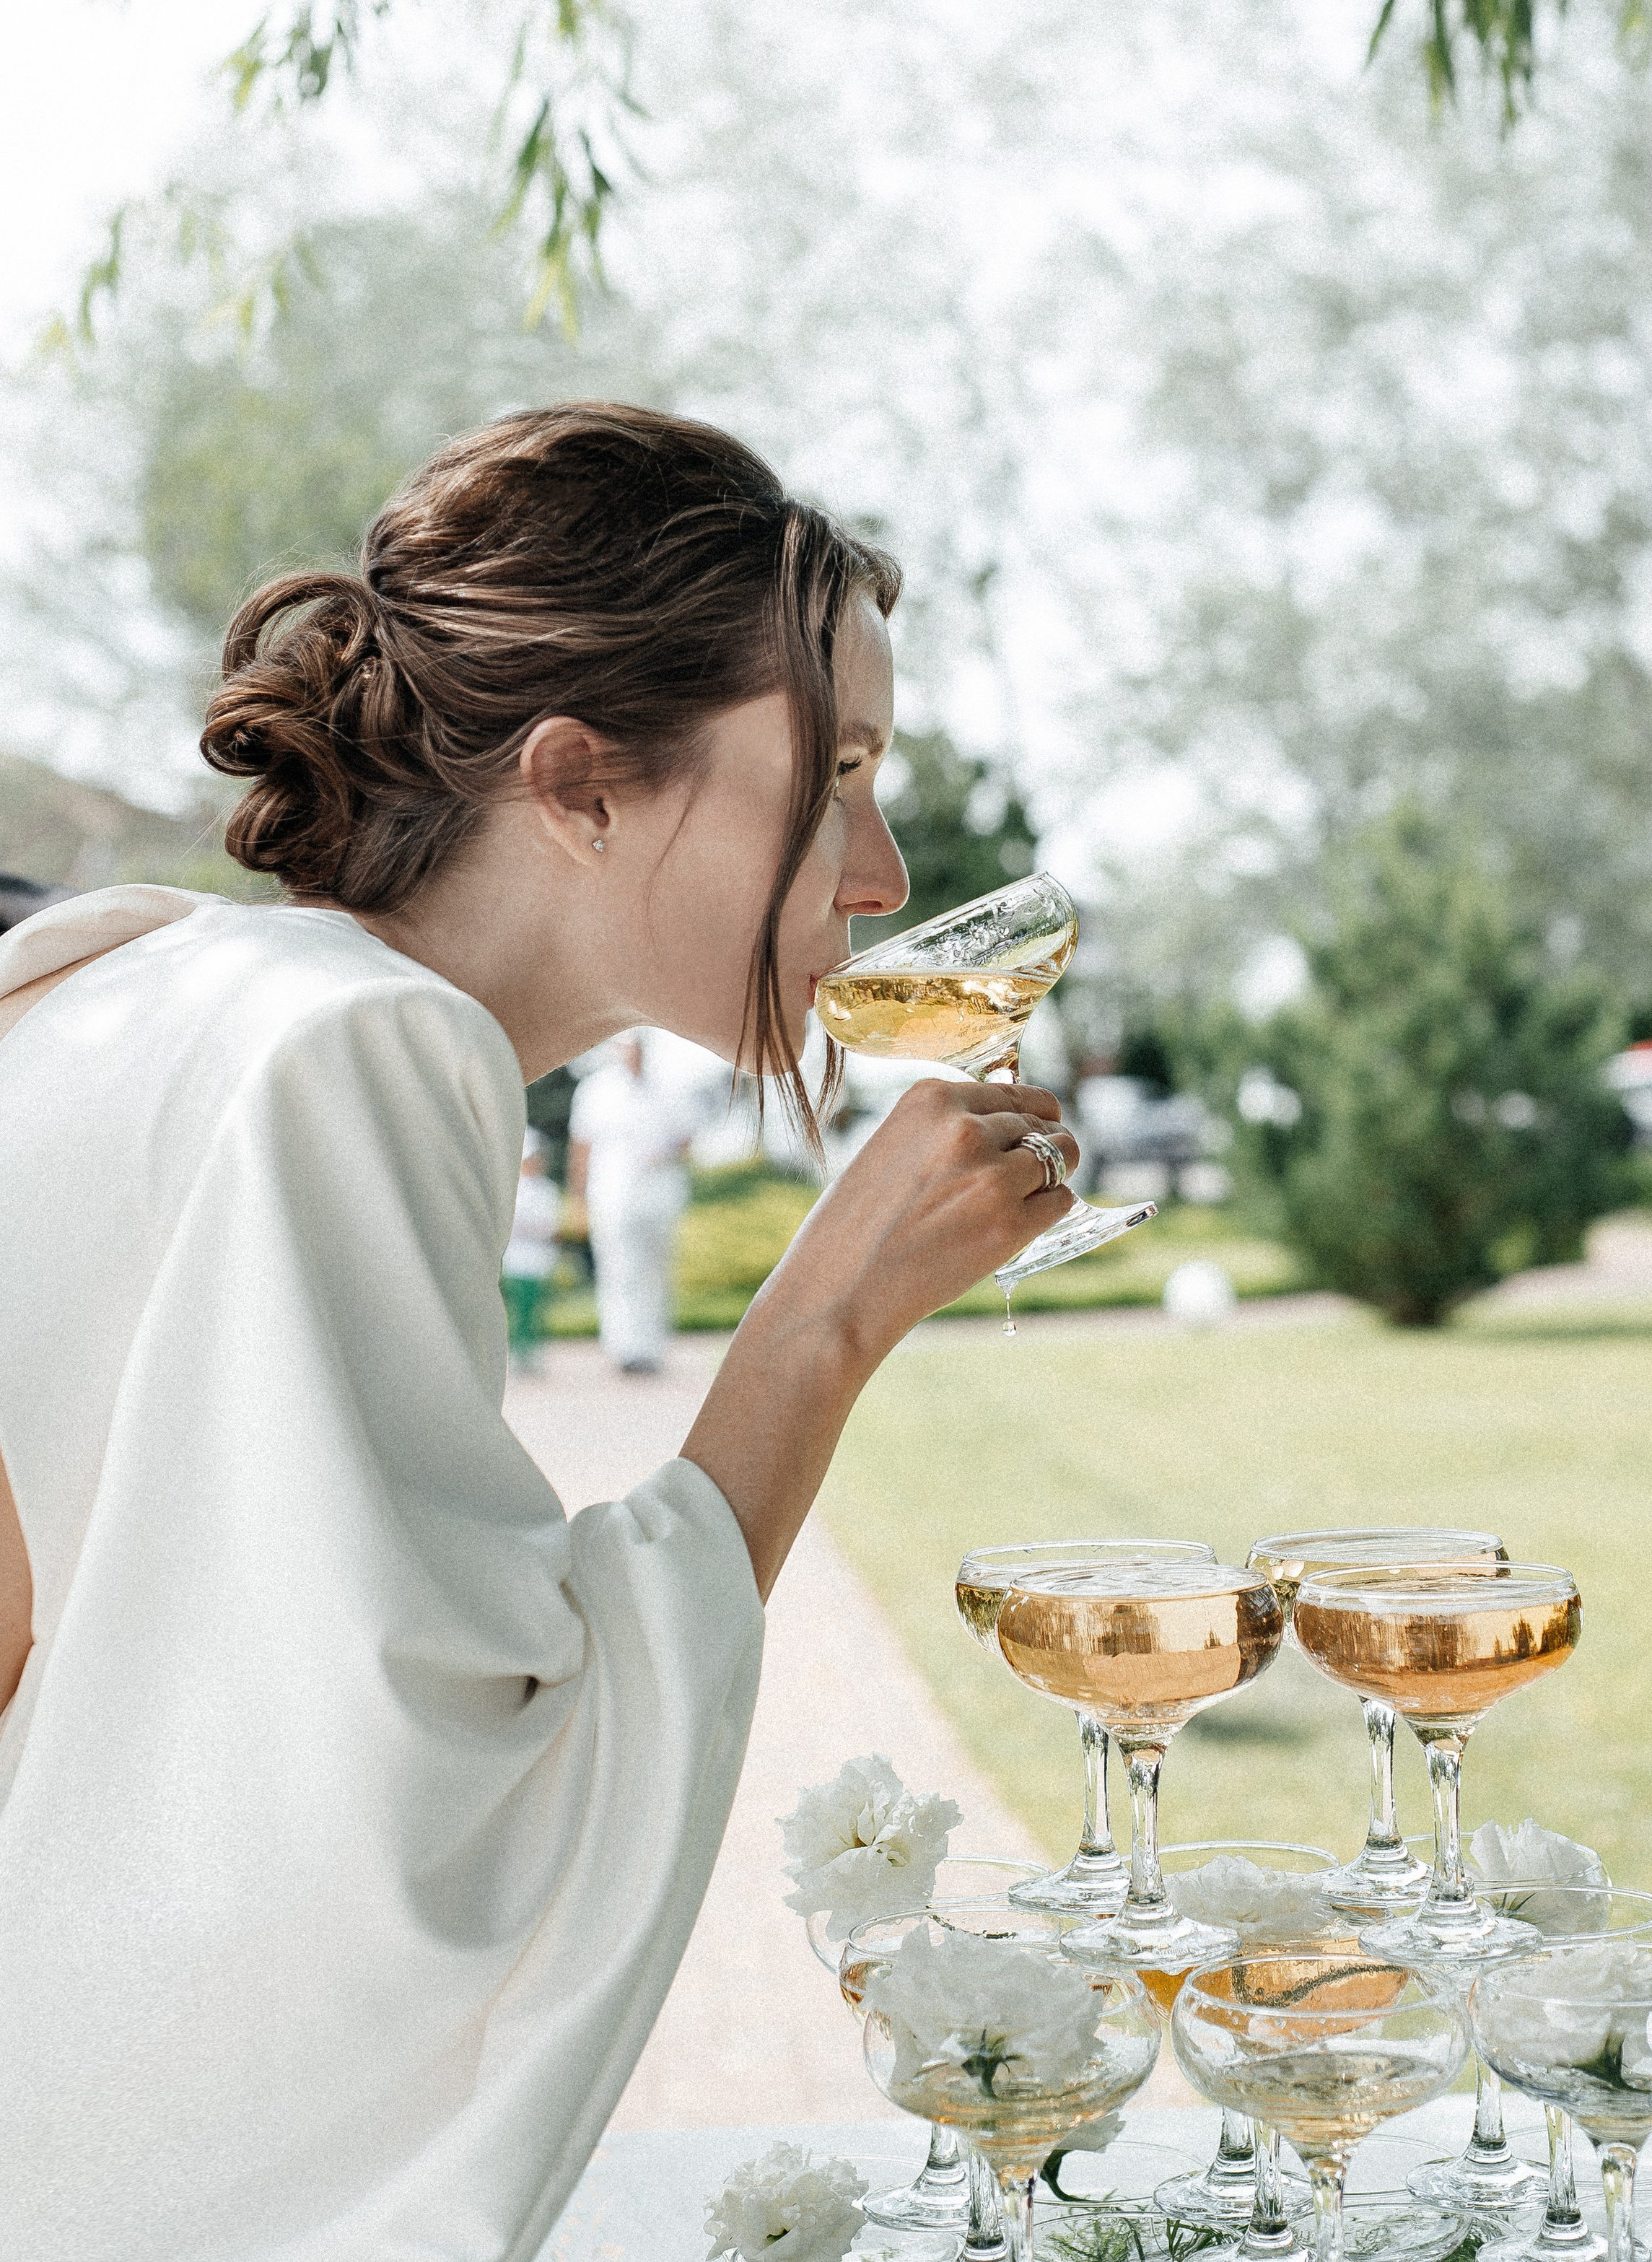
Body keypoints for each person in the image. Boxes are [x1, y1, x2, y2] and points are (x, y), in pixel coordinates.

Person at [0, 403, 1079, 2262]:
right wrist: (825, 1313)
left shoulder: (145, 971)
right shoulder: (357, 1048)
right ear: (578, 778)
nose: (882, 868)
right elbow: (419, 1815)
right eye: (833, 774)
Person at [569, 1034, 694, 1374]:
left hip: (660, 1193)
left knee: (655, 1270)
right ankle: (623, 1349)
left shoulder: (669, 1088)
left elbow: (686, 1141)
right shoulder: (595, 1090)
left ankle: (651, 1348)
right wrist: (576, 1198)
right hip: (612, 1194)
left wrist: (664, 1154)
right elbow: (581, 1147)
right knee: (618, 1269)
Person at [502, 1125, 564, 1367]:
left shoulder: (548, 1189)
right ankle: (519, 1352)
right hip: (517, 1255)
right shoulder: (513, 1188)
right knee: (518, 1308)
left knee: (536, 1308)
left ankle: (534, 1352)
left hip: (539, 1256)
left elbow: (551, 1225)